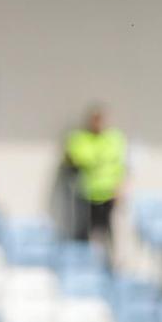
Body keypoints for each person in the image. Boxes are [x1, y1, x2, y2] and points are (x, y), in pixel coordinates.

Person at [63, 106, 126, 251]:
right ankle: (83, 263)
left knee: (108, 232)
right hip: (87, 194)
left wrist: (120, 188)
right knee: (84, 230)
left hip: (108, 194)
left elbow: (120, 167)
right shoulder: (80, 138)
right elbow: (75, 159)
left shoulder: (114, 139)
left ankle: (109, 265)